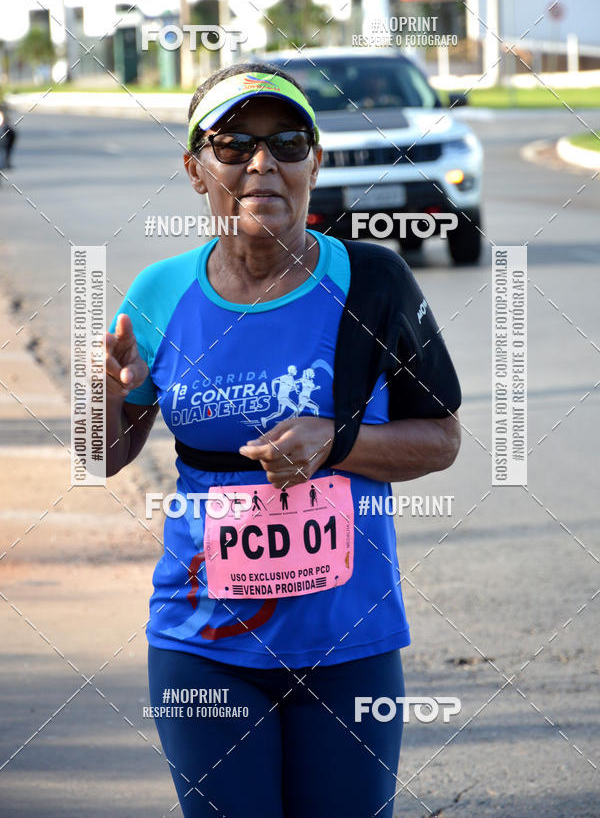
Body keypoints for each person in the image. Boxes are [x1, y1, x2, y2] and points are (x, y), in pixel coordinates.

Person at [105, 62, 462, 818]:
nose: (262, 162)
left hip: (349, 646)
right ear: (196, 168)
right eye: (233, 144)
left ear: (315, 162)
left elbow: (442, 438)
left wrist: (335, 443)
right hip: (203, 643)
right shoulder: (159, 292)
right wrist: (106, 398)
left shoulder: (373, 281)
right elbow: (100, 454)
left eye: (287, 142)